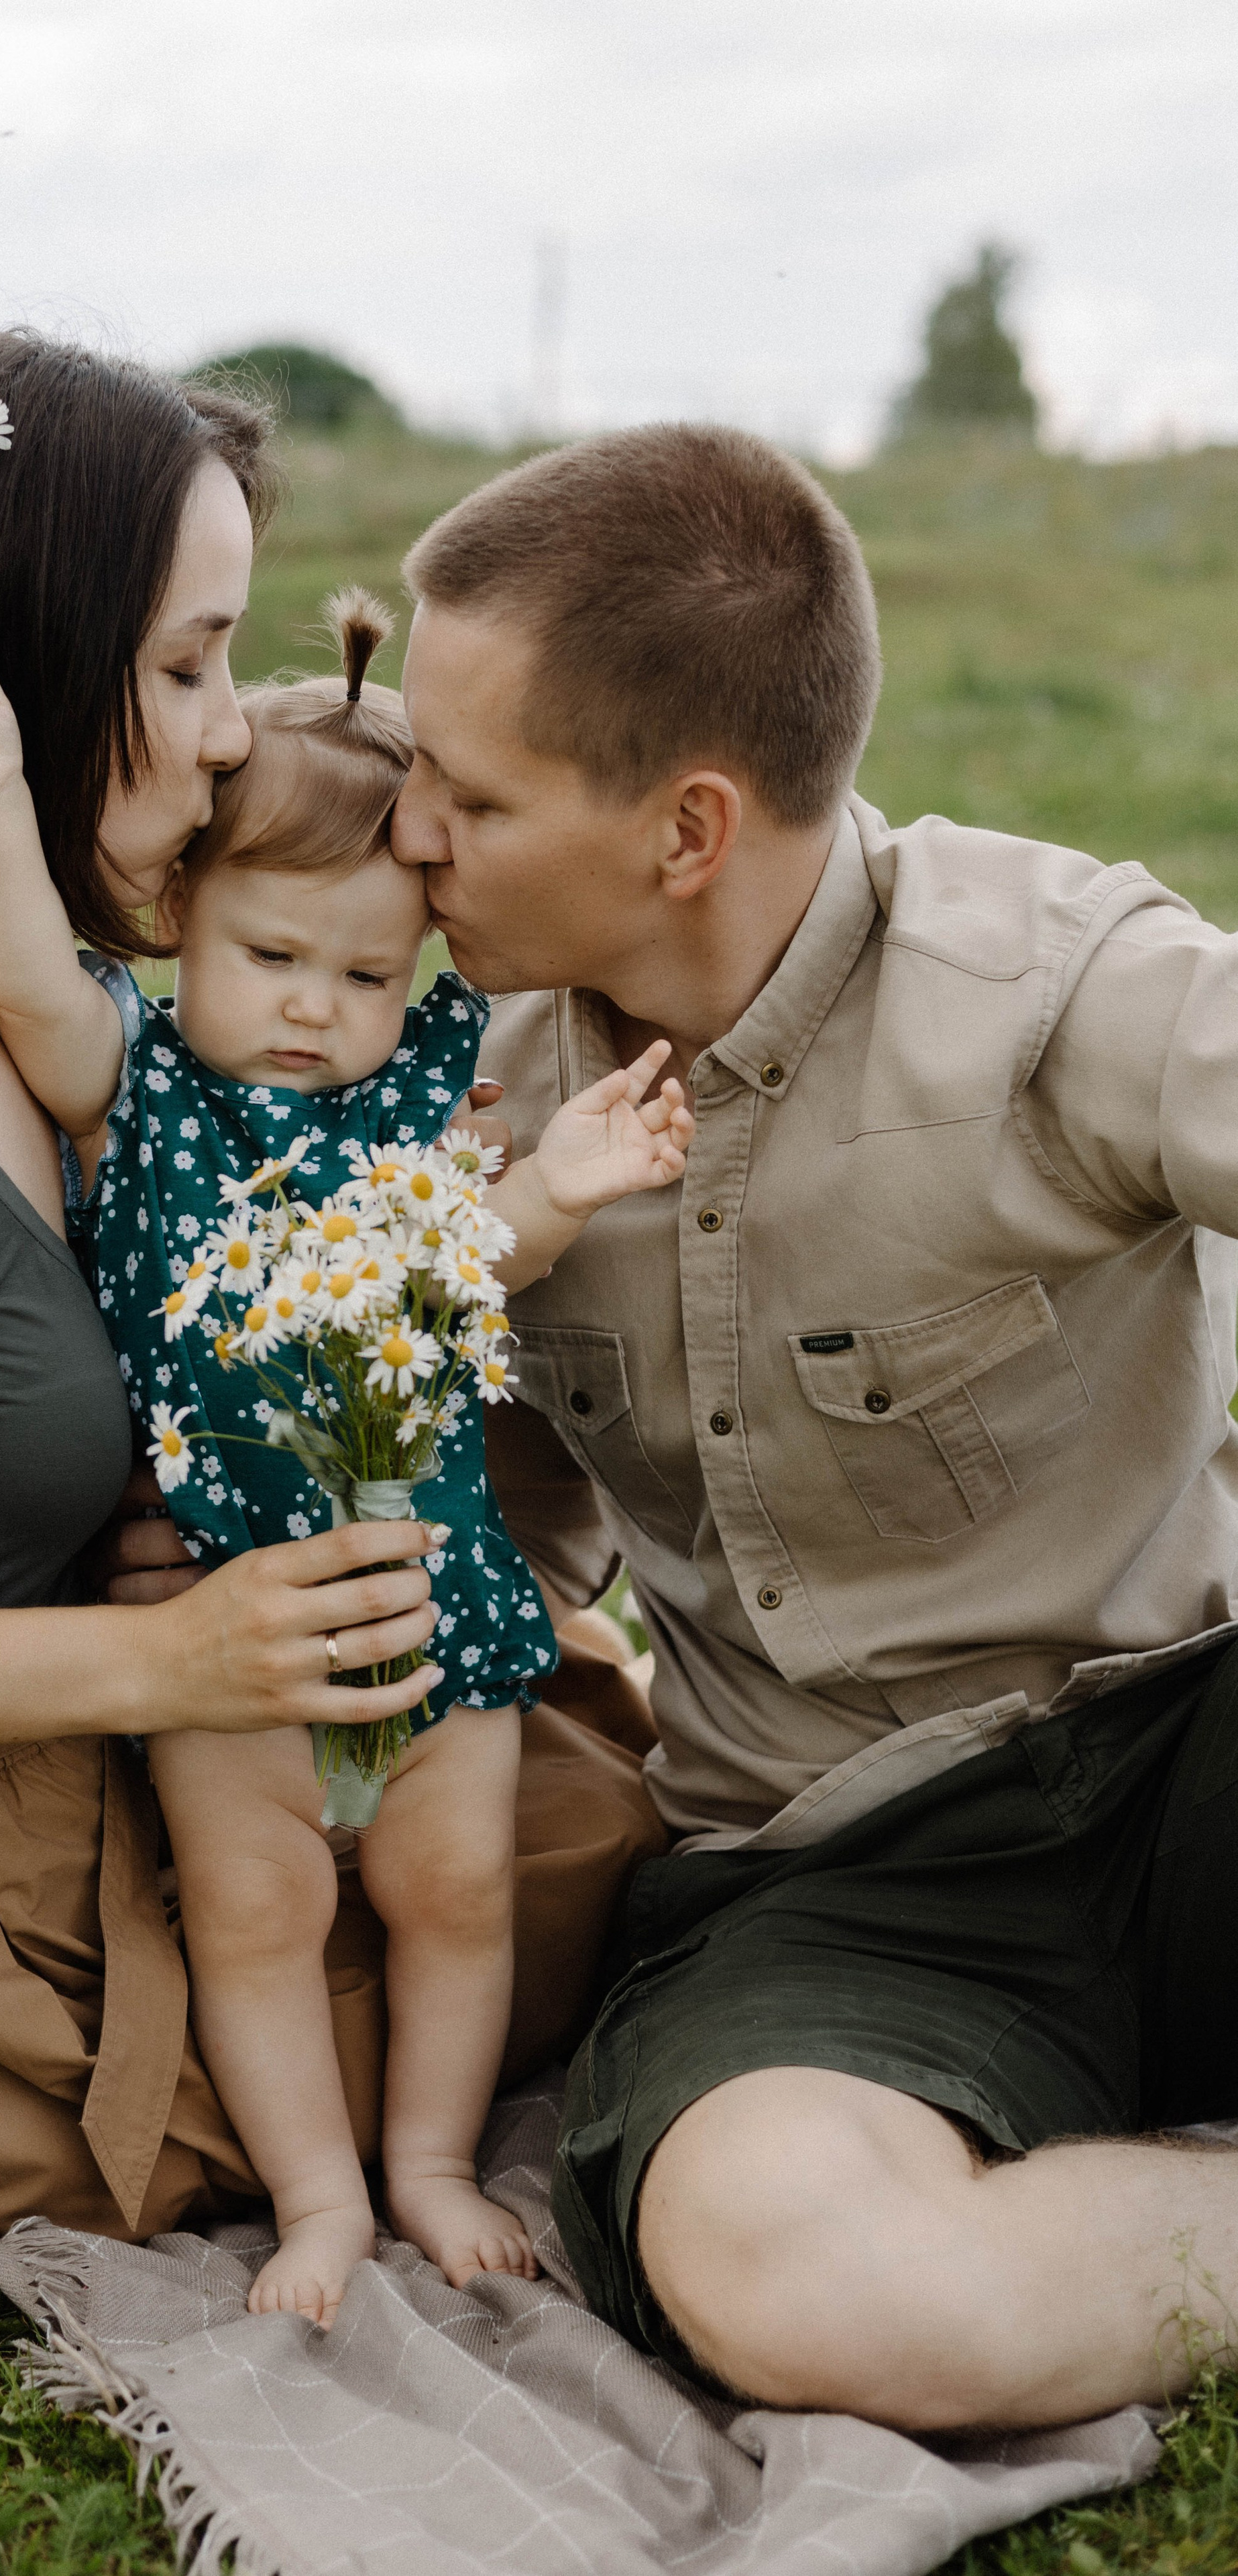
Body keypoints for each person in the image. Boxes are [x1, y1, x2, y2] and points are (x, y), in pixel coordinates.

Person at [390, 421, 1238, 2432]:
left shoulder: (1056, 991)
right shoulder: (468, 1105)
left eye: (468, 793)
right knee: (802, 2277)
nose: (404, 831)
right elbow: (496, 1531)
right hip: (828, 1877)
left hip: (1191, 1753)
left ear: (687, 828)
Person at [0, 587, 693, 2321]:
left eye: (363, 972)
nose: (316, 1012)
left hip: (432, 1583)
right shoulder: (145, 1081)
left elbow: (464, 1258)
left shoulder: (418, 1090)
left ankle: (423, 2157)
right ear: (184, 912)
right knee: (251, 1905)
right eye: (273, 959)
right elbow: (31, 981)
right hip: (220, 1606)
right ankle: (320, 2196)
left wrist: (556, 1184)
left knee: (453, 1883)